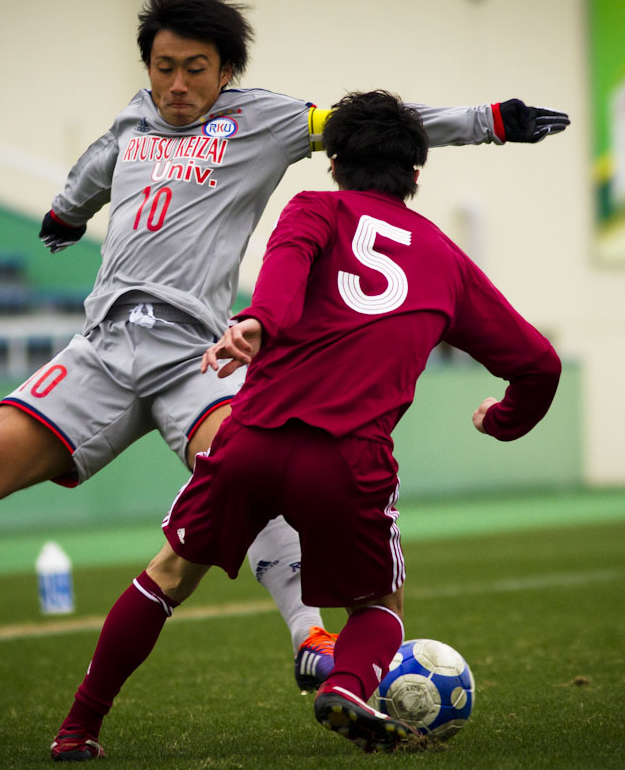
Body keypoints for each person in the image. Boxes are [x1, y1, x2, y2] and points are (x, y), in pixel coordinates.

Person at [0, 0, 570, 699]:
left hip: (199, 353)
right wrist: (67, 211)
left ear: (228, 71)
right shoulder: (133, 118)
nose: (176, 85)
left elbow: (367, 125)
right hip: (106, 347)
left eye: (195, 70)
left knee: (255, 473)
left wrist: (491, 123)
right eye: (163, 68)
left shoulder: (267, 120)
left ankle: (311, 638)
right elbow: (97, 163)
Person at [48, 90, 562, 761]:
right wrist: (501, 420)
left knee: (168, 574)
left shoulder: (314, 208)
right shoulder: (446, 260)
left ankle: (78, 729)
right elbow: (540, 366)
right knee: (379, 602)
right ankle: (347, 685)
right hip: (349, 461)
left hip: (252, 437)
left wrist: (258, 324)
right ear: (416, 174)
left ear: (336, 164)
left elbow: (283, 281)